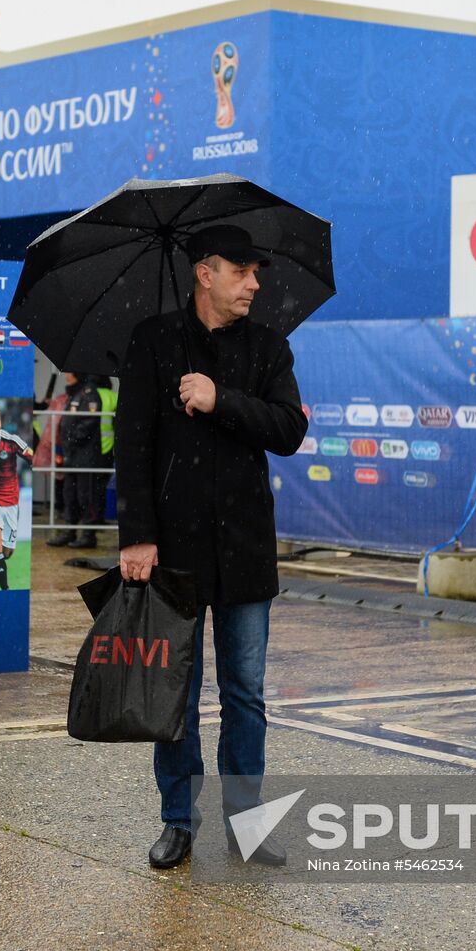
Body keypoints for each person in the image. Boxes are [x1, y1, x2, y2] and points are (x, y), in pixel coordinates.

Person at [114, 223, 307, 869]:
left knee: (245, 693)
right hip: (172, 552)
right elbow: (132, 445)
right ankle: (178, 819)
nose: (254, 284)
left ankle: (247, 823)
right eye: (241, 271)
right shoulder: (152, 341)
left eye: (256, 274)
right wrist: (137, 537)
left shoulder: (270, 346)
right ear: (205, 272)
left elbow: (287, 430)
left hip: (246, 550)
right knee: (175, 693)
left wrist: (220, 398)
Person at [48, 373, 107, 550]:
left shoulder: (89, 394)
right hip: (72, 455)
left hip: (85, 456)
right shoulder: (75, 393)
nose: (66, 375)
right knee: (69, 494)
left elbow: (88, 423)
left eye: (69, 372)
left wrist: (71, 439)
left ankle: (88, 535)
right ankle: (69, 531)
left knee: (86, 496)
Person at [0, 402, 34, 589]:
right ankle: (5, 590)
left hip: (11, 502)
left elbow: (32, 457)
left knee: (6, 553)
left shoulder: (11, 441)